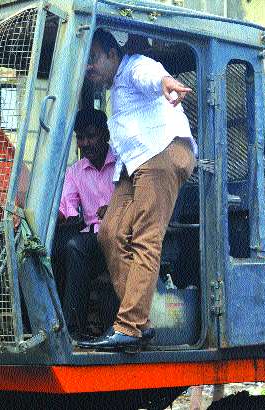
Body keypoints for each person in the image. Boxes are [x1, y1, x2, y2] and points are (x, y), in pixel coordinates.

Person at [79, 29, 197, 350]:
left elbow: (152, 75)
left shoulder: (134, 67)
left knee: (145, 238)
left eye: (93, 59)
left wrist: (166, 83)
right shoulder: (114, 89)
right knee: (110, 233)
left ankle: (130, 325)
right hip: (135, 163)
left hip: (162, 151)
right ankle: (142, 324)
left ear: (112, 54)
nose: (88, 67)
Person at [54, 108, 118, 340]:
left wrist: (115, 210)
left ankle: (75, 329)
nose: (85, 143)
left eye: (91, 136)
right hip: (93, 239)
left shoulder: (122, 163)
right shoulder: (75, 172)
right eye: (80, 138)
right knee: (59, 247)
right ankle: (69, 329)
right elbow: (66, 207)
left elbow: (136, 200)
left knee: (75, 246)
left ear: (105, 135)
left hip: (120, 234)